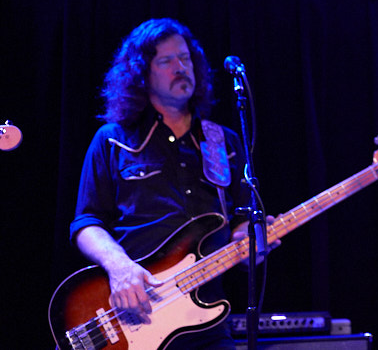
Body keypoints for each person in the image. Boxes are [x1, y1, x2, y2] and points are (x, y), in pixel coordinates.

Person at [70, 18, 252, 349]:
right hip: (135, 314)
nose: (180, 68)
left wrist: (248, 241)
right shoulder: (113, 140)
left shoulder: (222, 142)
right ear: (142, 74)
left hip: (207, 322)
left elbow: (240, 220)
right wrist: (120, 268)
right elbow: (86, 223)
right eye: (166, 61)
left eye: (185, 58)